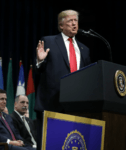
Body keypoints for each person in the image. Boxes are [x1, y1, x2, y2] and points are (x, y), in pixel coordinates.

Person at [35, 9, 91, 150]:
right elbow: (38, 70)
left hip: (75, 107)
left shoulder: (84, 49)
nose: (74, 24)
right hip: (51, 105)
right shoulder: (49, 41)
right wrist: (40, 61)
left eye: (76, 21)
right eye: (70, 21)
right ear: (61, 25)